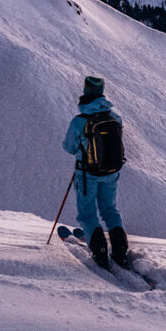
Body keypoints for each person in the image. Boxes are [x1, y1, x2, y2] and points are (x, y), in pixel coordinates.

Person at [63, 75, 128, 269]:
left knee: (87, 213)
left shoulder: (79, 121)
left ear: (86, 92)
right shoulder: (115, 117)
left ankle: (99, 251)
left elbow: (69, 147)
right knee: (110, 210)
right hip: (111, 172)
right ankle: (120, 250)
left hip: (87, 174)